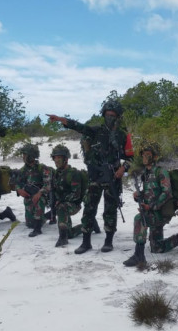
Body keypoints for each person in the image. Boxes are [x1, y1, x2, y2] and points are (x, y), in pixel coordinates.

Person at [47, 98, 133, 254]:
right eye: (107, 114)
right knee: (89, 208)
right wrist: (61, 119)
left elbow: (130, 158)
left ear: (118, 116)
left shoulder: (123, 135)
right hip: (95, 176)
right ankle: (86, 242)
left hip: (113, 176)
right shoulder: (95, 130)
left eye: (113, 114)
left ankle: (108, 241)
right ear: (103, 114)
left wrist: (123, 169)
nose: (110, 117)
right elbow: (78, 126)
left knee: (110, 210)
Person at [123, 142, 178, 268]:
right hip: (152, 211)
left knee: (140, 219)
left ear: (155, 157)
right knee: (157, 248)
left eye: (148, 155)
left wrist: (150, 207)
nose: (145, 157)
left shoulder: (160, 172)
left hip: (160, 212)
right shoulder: (146, 174)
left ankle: (139, 255)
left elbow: (167, 193)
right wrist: (138, 195)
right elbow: (149, 193)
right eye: (143, 155)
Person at [14, 143, 52, 237]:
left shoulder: (42, 168)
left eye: (25, 155)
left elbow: (47, 185)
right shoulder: (23, 170)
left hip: (41, 196)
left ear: (31, 155)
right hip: (28, 197)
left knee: (39, 203)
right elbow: (17, 183)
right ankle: (49, 215)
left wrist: (39, 193)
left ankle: (38, 229)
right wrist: (19, 190)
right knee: (30, 224)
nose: (23, 157)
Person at [49, 144, 84, 248]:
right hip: (62, 203)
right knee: (70, 234)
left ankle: (62, 238)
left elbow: (76, 194)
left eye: (59, 157)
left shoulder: (73, 173)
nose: (56, 160)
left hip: (74, 204)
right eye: (55, 158)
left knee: (61, 207)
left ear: (66, 159)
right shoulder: (55, 174)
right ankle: (87, 226)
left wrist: (61, 200)